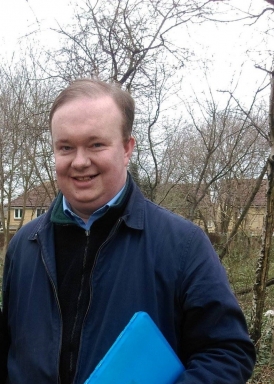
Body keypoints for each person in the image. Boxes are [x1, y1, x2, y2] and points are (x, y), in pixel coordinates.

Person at [2, 78, 256, 384]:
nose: (80, 162)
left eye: (96, 144)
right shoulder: (24, 245)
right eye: (66, 147)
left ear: (126, 148)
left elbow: (227, 353)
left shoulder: (183, 245)